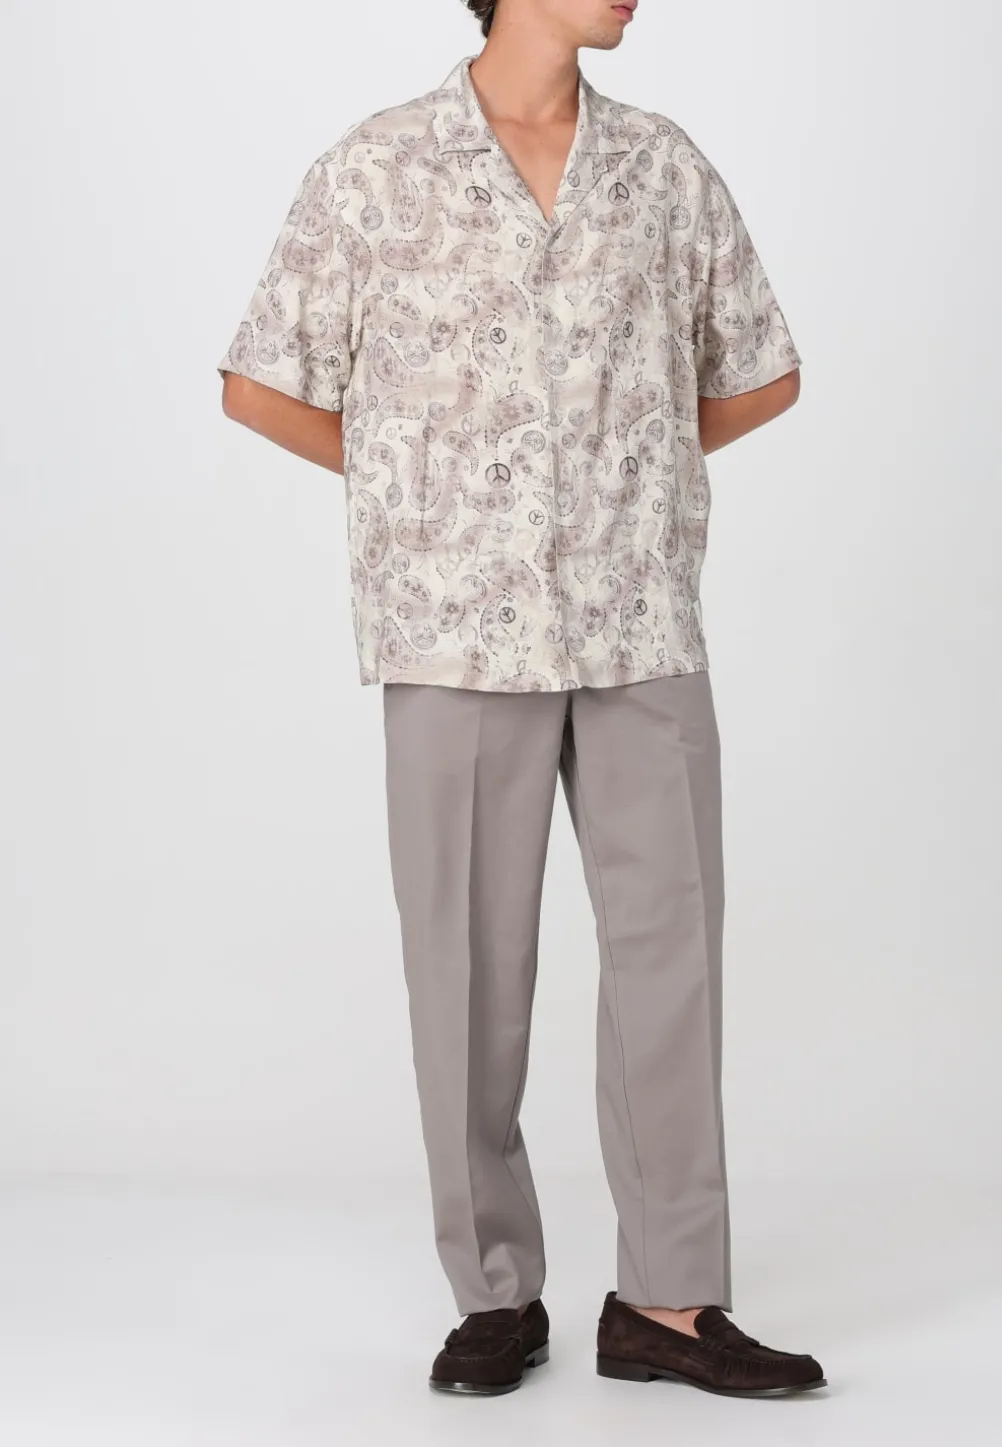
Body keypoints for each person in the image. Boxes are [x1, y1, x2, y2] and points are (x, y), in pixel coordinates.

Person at [217, 0, 825, 1401]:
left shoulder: (662, 168)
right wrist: (424, 479)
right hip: (452, 628)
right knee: (467, 972)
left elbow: (759, 370)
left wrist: (632, 471)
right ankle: (496, 1292)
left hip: (638, 618)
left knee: (670, 960)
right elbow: (262, 383)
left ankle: (668, 1298)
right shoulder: (379, 168)